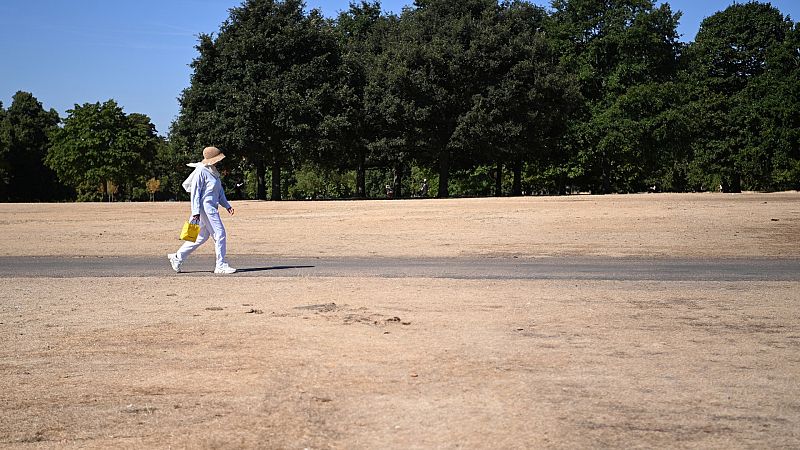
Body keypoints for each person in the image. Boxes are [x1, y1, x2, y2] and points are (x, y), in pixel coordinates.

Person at [168, 146, 236, 274]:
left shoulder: (213, 172)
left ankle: (177, 257)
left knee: (202, 237)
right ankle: (220, 265)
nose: (219, 161)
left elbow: (219, 192)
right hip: (206, 208)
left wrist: (227, 205)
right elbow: (195, 193)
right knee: (220, 234)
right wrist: (195, 212)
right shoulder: (201, 171)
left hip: (211, 207)